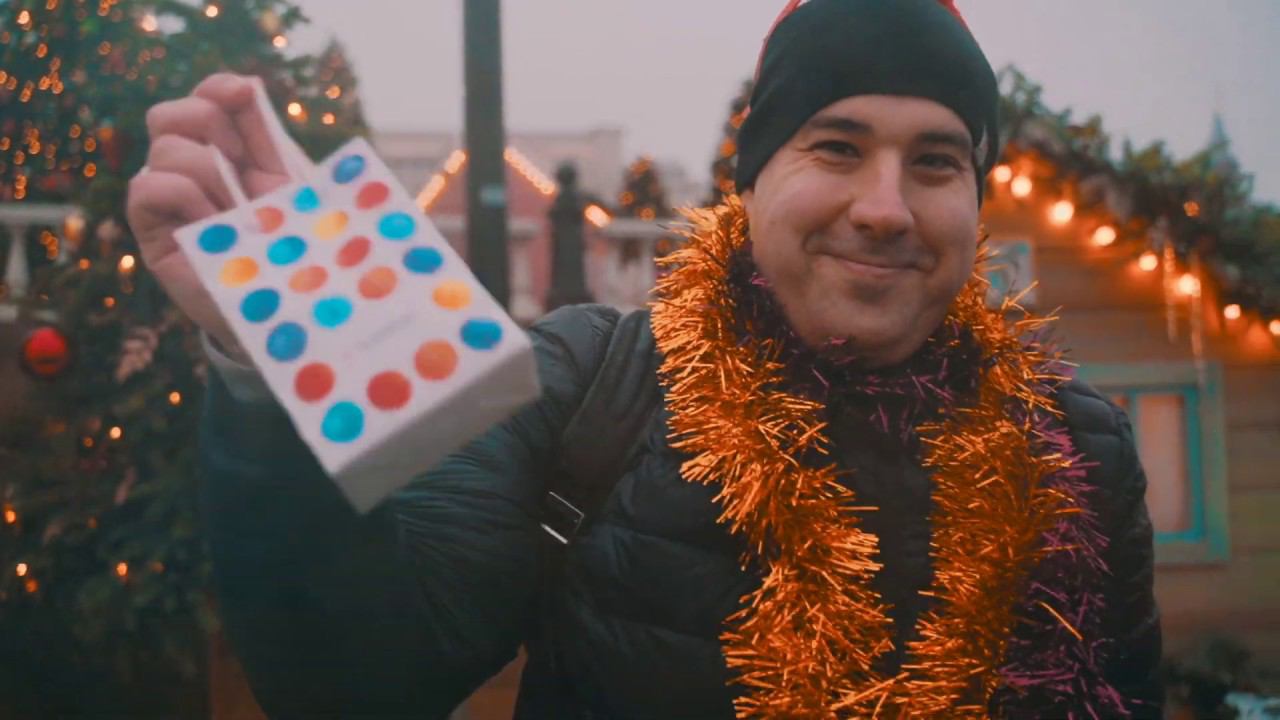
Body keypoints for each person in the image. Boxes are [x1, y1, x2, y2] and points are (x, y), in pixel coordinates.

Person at [125, 0, 1162, 717]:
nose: (885, 207)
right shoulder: (589, 385)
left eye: (935, 161)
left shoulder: (1078, 450)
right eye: (837, 147)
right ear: (752, 181)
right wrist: (269, 360)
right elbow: (354, 686)